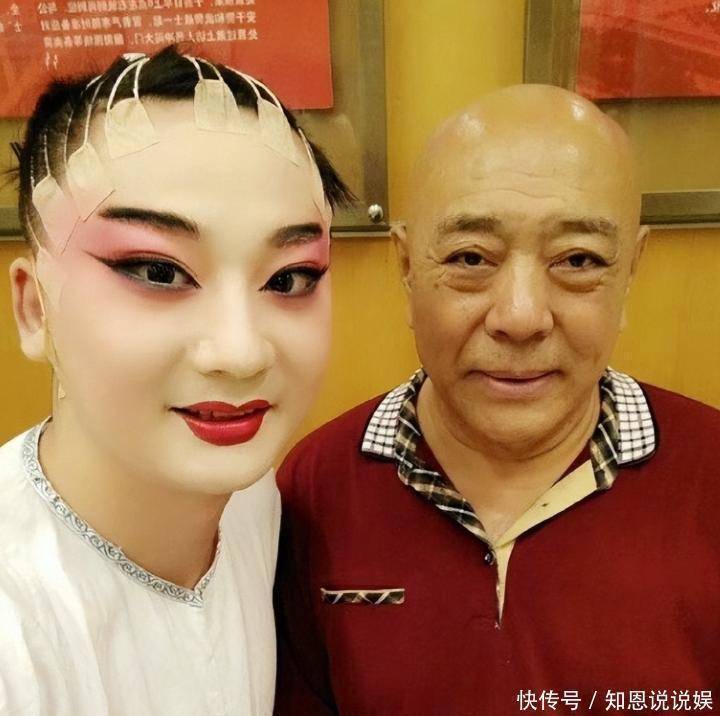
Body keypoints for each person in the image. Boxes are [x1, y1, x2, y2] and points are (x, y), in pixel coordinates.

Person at [274, 84, 720, 715]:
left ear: (630, 271)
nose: (520, 316)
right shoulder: (315, 489)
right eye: (470, 257)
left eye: (579, 259)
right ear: (407, 266)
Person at [0, 46, 349, 715]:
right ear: (34, 307)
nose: (240, 353)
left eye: (289, 279)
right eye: (158, 272)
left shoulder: (253, 505)